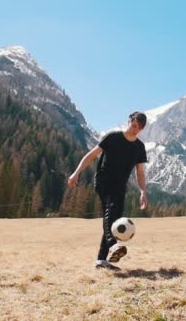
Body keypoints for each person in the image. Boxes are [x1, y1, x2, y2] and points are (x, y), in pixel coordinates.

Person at [67, 112, 148, 270]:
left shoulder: (139, 147)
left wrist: (143, 191)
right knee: (111, 210)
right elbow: (91, 156)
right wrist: (76, 172)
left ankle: (101, 260)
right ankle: (112, 245)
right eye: (133, 126)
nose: (134, 130)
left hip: (120, 186)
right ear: (129, 122)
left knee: (114, 218)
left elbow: (140, 172)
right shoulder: (112, 137)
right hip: (104, 181)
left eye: (138, 129)